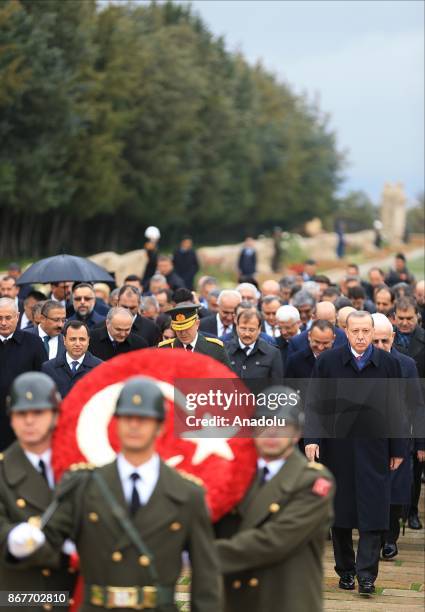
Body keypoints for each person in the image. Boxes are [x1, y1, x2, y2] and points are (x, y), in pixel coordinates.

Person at [8, 376, 222, 612]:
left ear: (160, 427)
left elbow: (205, 580)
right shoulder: (83, 485)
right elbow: (48, 544)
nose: (134, 425)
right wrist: (20, 541)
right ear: (116, 423)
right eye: (127, 417)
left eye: (143, 419)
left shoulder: (187, 493)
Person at [304, 311, 406, 595]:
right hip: (338, 448)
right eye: (355, 331)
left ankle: (367, 575)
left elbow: (398, 407)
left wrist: (398, 446)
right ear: (345, 333)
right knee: (341, 513)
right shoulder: (328, 361)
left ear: (372, 332)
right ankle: (346, 570)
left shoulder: (388, 364)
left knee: (374, 512)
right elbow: (314, 403)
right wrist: (311, 438)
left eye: (365, 331)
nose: (361, 336)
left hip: (375, 448)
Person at [215, 387, 334, 612]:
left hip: (285, 600)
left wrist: (202, 554)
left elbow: (275, 540)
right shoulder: (234, 476)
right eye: (264, 425)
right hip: (236, 599)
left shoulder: (314, 481)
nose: (272, 433)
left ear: (297, 434)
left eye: (282, 426)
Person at [0, 372, 77, 603]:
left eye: (39, 412)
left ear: (55, 415)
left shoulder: (80, 467)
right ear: (11, 419)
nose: (29, 421)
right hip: (22, 597)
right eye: (21, 413)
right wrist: (13, 537)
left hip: (75, 596)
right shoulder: (3, 471)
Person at [372, 313, 425, 558]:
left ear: (393, 338)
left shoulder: (406, 364)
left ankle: (390, 538)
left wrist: (421, 442)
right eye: (376, 341)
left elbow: (416, 405)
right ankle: (372, 536)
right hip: (368, 439)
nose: (381, 347)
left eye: (385, 341)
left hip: (399, 437)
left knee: (395, 490)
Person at [393, 297, 425, 529]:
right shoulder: (386, 340)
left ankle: (412, 510)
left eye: (409, 319)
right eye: (401, 318)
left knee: (417, 461)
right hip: (400, 408)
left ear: (418, 318)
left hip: (420, 405)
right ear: (394, 318)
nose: (405, 323)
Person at [0, 298, 46, 450]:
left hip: (24, 416)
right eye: (0, 318)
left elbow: (42, 379)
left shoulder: (33, 343)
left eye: (8, 317)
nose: (4, 323)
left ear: (17, 317)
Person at [158, 303, 231, 367]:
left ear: (197, 324)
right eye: (178, 329)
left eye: (187, 328)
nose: (183, 333)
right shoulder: (165, 349)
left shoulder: (215, 348)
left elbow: (228, 380)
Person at [42, 321, 102, 398]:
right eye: (73, 339)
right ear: (64, 340)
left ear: (88, 341)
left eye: (82, 339)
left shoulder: (100, 368)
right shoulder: (49, 368)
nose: (77, 344)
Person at [225, 309, 283, 380]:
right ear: (237, 327)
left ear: (259, 329)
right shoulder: (224, 350)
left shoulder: (273, 353)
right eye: (243, 329)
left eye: (251, 330)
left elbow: (277, 386)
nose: (247, 334)